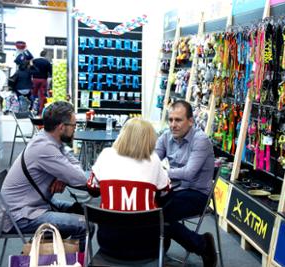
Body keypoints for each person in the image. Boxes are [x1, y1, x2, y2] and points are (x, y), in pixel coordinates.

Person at [0, 101, 91, 251]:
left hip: (35, 205)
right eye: (74, 126)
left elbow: (76, 167)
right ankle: (72, 261)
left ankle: (63, 257)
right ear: (61, 127)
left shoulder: (48, 139)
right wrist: (65, 175)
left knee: (83, 211)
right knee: (84, 225)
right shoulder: (45, 148)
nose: (75, 130)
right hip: (21, 216)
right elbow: (81, 179)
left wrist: (62, 176)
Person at [87, 118, 170, 259]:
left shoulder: (106, 154)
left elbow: (92, 189)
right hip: (147, 244)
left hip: (108, 243)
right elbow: (165, 191)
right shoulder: (154, 159)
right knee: (167, 225)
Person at [155, 100, 217, 267]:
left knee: (161, 215)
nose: (173, 125)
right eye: (171, 120)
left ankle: (202, 244)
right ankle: (161, 242)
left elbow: (189, 174)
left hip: (197, 193)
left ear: (191, 121)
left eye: (178, 120)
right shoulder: (166, 136)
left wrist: (162, 172)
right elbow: (151, 161)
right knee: (149, 206)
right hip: (174, 190)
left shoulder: (201, 140)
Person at [32, 50, 52, 114]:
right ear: (45, 55)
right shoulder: (47, 62)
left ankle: (32, 108)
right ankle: (40, 111)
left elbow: (30, 69)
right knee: (42, 95)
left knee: (33, 94)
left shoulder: (34, 61)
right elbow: (51, 71)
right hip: (43, 80)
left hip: (35, 79)